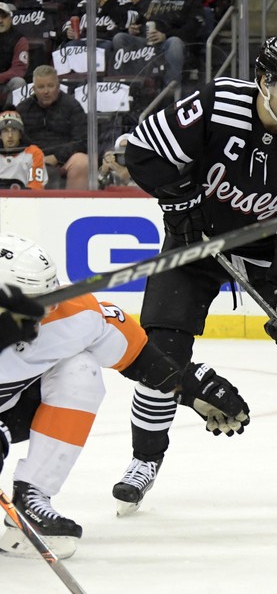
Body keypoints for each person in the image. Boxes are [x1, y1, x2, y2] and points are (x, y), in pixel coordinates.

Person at [117, 35, 277, 514]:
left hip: (269, 247)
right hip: (196, 239)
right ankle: (143, 461)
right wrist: (180, 201)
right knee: (162, 351)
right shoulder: (216, 104)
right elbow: (140, 152)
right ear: (264, 82)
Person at [0, 233, 247, 557]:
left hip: (11, 413)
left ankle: (33, 495)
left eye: (48, 295)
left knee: (80, 369)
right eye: (31, 300)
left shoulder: (74, 313)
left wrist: (187, 386)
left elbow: (140, 357)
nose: (45, 310)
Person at [111, 0, 205, 92]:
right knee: (120, 38)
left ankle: (170, 89)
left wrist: (165, 35)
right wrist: (132, 29)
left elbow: (192, 28)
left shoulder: (190, 0)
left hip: (168, 42)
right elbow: (137, 19)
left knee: (175, 42)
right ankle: (129, 85)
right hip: (146, 42)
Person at [15, 65, 88, 190]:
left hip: (63, 160)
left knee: (82, 162)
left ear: (58, 87)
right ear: (34, 89)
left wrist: (57, 157)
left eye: (50, 86)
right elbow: (18, 140)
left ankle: (74, 207)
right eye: (41, 87)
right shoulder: (23, 108)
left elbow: (81, 141)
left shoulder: (72, 106)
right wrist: (37, 157)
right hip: (30, 159)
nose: (46, 91)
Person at [0, 109, 46, 189]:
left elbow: (36, 188)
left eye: (14, 130)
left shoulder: (34, 153)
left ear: (20, 134)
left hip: (25, 200)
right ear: (0, 135)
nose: (10, 135)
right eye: (5, 131)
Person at [0, 2, 28, 105]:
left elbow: (18, 71)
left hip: (5, 86)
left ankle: (10, 117)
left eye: (4, 16)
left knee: (18, 82)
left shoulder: (19, 40)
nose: (0, 20)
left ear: (10, 19)